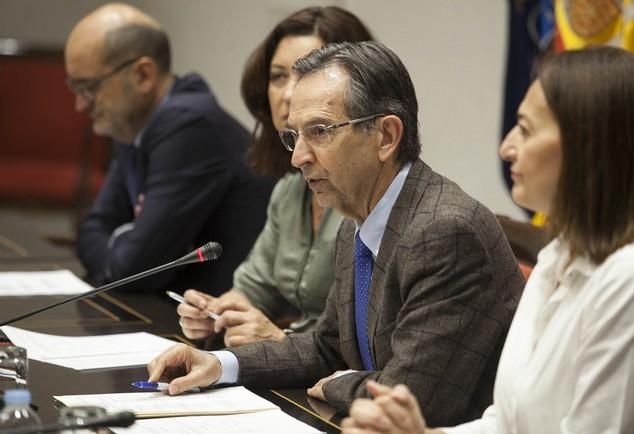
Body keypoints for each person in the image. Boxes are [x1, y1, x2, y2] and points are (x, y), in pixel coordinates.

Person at [147, 41, 525, 427]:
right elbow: (327, 346)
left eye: (320, 131)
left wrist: (340, 384)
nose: (298, 157)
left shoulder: (445, 232)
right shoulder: (356, 221)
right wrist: (219, 364)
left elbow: (408, 399)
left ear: (386, 136)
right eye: (294, 135)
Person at [341, 46, 634, 434]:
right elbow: (506, 423)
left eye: (526, 128)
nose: (507, 147)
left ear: (589, 145)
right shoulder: (558, 257)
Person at [177, 7, 373, 347]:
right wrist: (216, 313)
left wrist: (280, 340)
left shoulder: (371, 196)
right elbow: (253, 290)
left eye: (305, 74)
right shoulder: (289, 189)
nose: (286, 94)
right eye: (278, 76)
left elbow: (370, 343)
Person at [66, 3, 273, 293]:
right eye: (75, 88)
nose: (81, 104)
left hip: (222, 317)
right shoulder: (131, 123)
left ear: (143, 76)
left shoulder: (190, 125)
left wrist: (124, 240)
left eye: (89, 88)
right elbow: (90, 232)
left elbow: (135, 269)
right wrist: (130, 239)